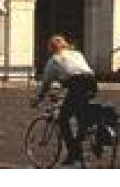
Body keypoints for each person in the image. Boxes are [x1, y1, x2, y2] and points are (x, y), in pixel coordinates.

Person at [34, 35, 97, 167]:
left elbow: (46, 83)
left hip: (77, 85)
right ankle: (81, 139)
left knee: (63, 119)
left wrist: (38, 98)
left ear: (51, 48)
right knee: (81, 114)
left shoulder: (54, 60)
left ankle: (73, 152)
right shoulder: (77, 53)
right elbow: (77, 71)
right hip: (92, 83)